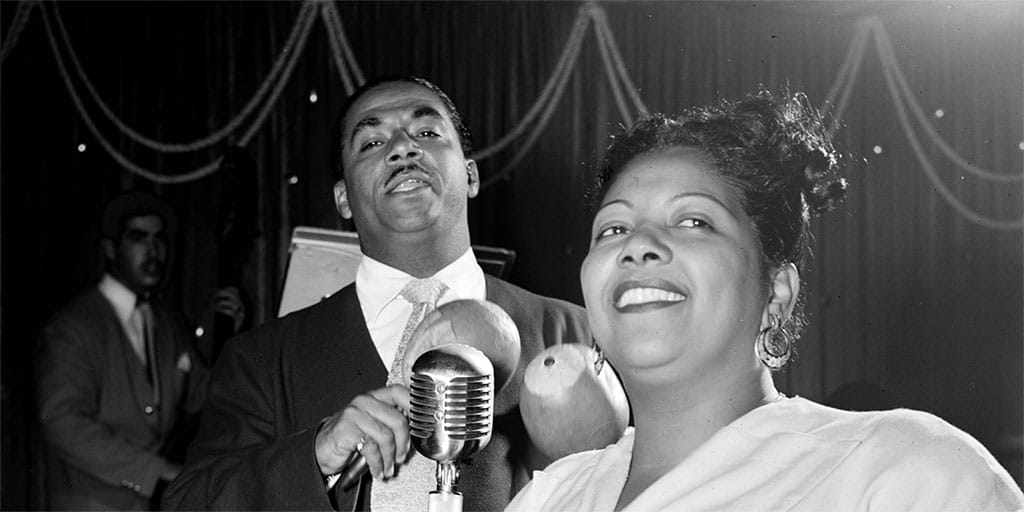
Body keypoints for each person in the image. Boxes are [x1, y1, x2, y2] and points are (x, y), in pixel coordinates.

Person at [506, 90, 1024, 511]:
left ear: (776, 293)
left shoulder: (903, 470)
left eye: (694, 221)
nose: (637, 245)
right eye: (613, 228)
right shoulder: (550, 497)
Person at [162, 76, 590, 511]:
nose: (403, 148)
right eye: (371, 142)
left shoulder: (579, 336)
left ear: (471, 174)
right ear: (343, 198)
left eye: (426, 132)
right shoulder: (259, 361)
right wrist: (313, 457)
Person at [35, 190, 245, 510]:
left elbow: (211, 396)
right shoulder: (73, 327)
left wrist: (236, 336)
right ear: (109, 247)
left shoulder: (167, 322)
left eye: (159, 239)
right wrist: (155, 473)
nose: (153, 250)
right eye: (138, 238)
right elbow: (62, 421)